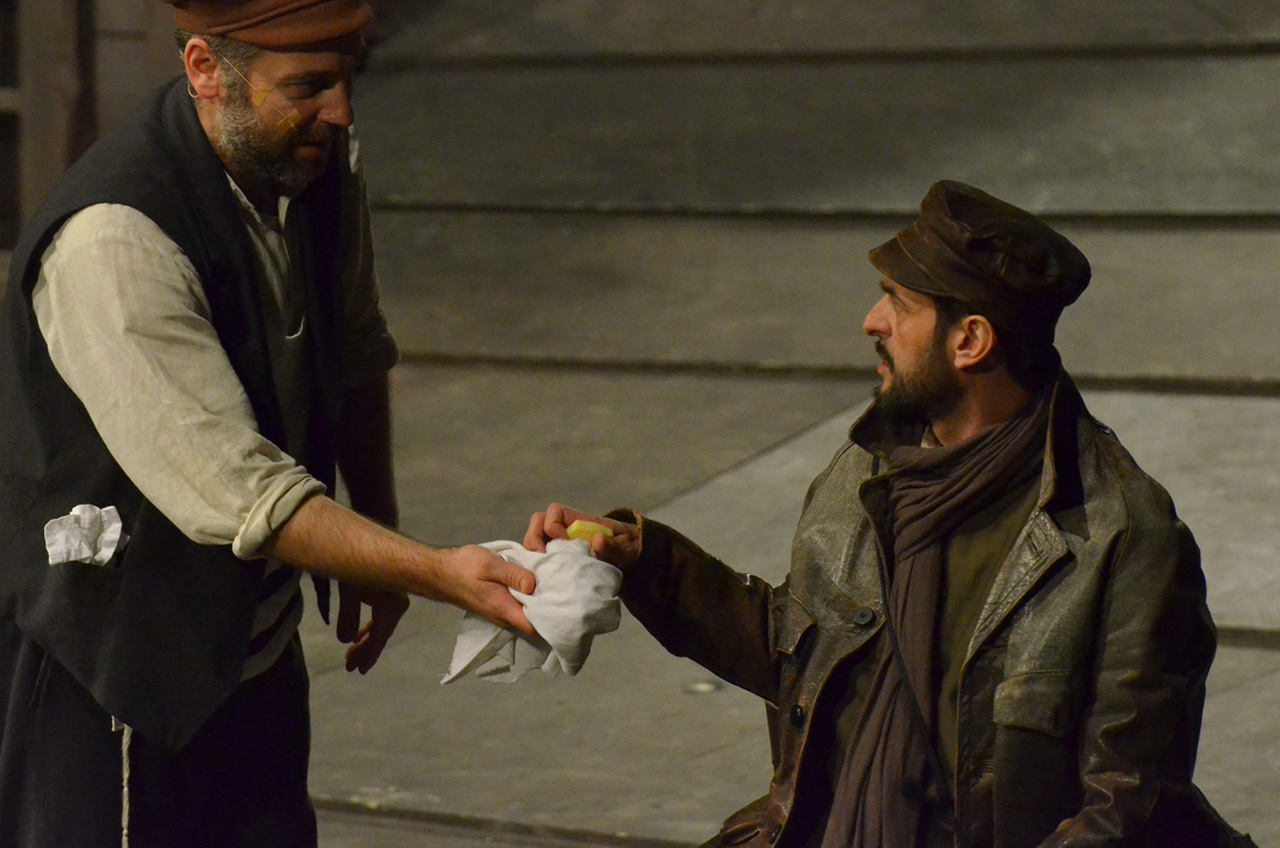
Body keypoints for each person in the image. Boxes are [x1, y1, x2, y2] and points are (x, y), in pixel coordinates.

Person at [527, 181, 1256, 847]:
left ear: (969, 340)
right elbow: (805, 657)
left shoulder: (1120, 535)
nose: (871, 321)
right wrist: (642, 559)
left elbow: (1125, 804)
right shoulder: (869, 470)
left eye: (899, 304)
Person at [0, 1, 537, 845]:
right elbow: (242, 493)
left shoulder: (310, 158)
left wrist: (378, 530)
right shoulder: (115, 240)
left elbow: (354, 346)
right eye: (308, 86)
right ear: (205, 71)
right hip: (123, 671)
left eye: (348, 77)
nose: (341, 110)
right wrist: (437, 572)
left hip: (252, 647)